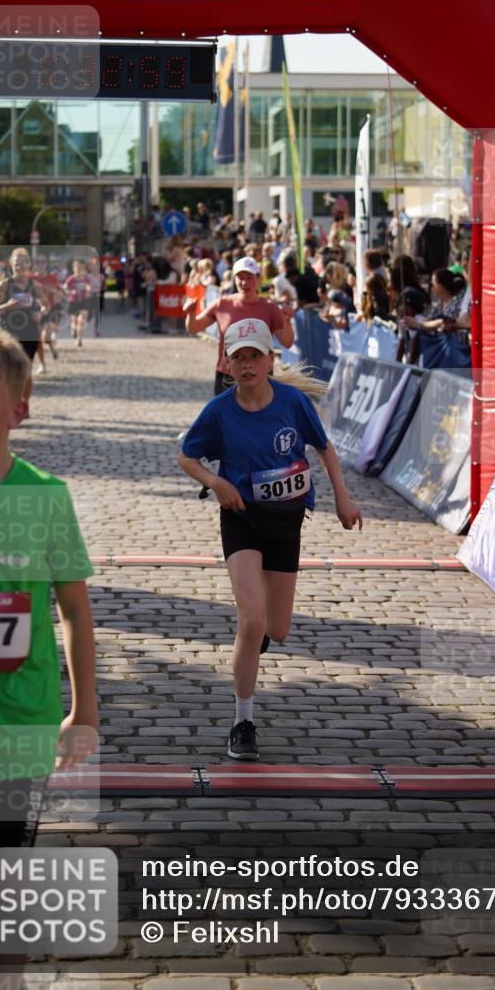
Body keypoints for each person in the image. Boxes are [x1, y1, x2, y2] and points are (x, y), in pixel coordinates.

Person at [0, 327, 97, 990]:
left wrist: (82, 709)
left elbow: (73, 610)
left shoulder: (43, 498)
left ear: (20, 410)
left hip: (16, 731)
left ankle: (3, 973)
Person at [178, 320, 362, 760]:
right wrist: (217, 483)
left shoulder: (293, 402)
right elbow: (187, 455)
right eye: (238, 357)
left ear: (270, 360)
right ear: (227, 363)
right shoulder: (219, 410)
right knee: (252, 617)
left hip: (286, 520)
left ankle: (254, 636)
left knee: (276, 630)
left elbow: (325, 449)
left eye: (254, 356)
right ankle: (243, 722)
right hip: (240, 517)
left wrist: (342, 497)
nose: (246, 365)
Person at [183, 256, 295, 396]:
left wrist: (287, 320)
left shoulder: (270, 308)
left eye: (249, 277)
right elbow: (194, 327)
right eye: (240, 277)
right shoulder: (222, 304)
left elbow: (287, 342)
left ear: (258, 279)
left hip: (260, 375)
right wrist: (191, 313)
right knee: (225, 418)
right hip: (228, 375)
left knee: (260, 418)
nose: (244, 282)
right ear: (234, 280)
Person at [0, 248, 49, 368]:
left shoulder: (35, 286)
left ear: (29, 265)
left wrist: (40, 313)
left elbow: (46, 306)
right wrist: (8, 306)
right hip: (9, 331)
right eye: (17, 263)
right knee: (9, 366)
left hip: (30, 331)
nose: (20, 266)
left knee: (26, 367)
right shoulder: (4, 285)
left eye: (23, 263)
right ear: (11, 264)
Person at [63, 258, 92, 346]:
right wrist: (70, 292)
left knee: (81, 320)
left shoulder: (86, 278)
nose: (78, 269)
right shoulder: (71, 278)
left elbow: (89, 287)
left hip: (83, 302)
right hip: (73, 302)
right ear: (73, 268)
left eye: (80, 267)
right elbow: (65, 288)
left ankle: (79, 339)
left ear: (83, 268)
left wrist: (88, 291)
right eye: (76, 267)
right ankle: (74, 330)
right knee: (74, 321)